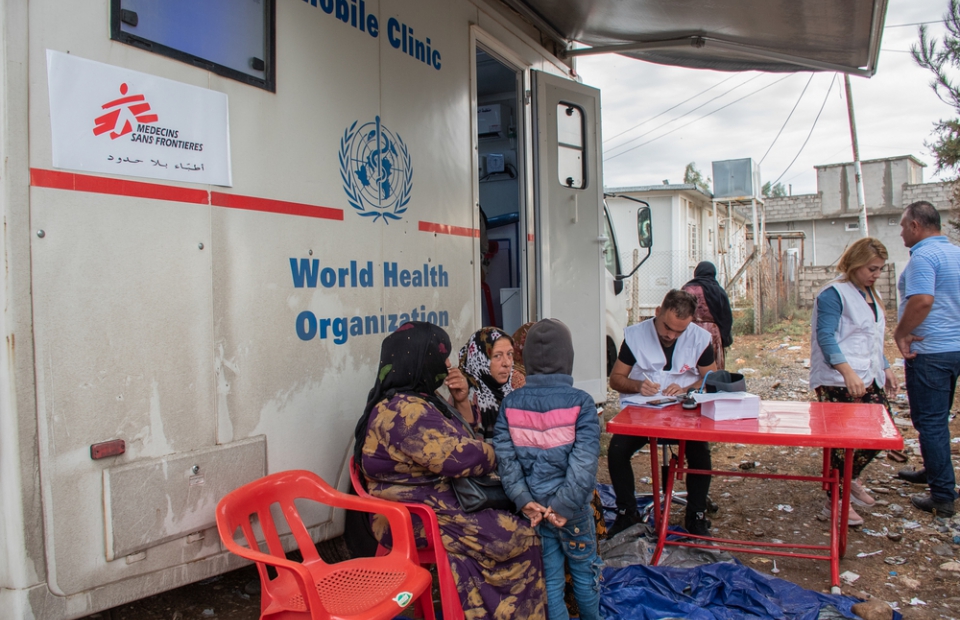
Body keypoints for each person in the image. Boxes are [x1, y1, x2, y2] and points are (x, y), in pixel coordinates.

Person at [353, 322, 546, 618]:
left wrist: (460, 401)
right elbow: (460, 455)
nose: (447, 363)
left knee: (516, 515)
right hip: (411, 516)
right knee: (522, 536)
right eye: (440, 354)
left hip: (430, 501)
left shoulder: (420, 399)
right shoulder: (405, 410)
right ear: (419, 358)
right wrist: (506, 451)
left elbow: (464, 436)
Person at [494, 319, 603, 620]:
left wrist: (523, 499)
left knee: (550, 579)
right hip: (573, 510)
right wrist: (565, 505)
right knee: (585, 571)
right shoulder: (582, 403)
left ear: (524, 359)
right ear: (568, 358)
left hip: (536, 509)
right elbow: (584, 464)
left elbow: (506, 460)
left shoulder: (511, 404)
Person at [606, 289, 717, 537]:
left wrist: (688, 387)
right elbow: (615, 380)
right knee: (616, 450)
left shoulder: (700, 339)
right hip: (643, 414)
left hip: (684, 415)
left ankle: (696, 515)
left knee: (701, 454)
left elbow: (711, 378)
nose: (671, 335)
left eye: (680, 331)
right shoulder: (635, 336)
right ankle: (627, 513)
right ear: (658, 312)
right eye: (667, 327)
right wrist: (637, 386)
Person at [809, 237, 899, 526]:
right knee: (843, 442)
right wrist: (847, 372)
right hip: (838, 379)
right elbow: (826, 337)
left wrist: (885, 366)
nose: (876, 274)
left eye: (880, 269)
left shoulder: (869, 293)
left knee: (882, 432)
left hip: (867, 374)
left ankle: (849, 480)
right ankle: (834, 501)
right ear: (855, 263)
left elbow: (871, 335)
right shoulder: (833, 294)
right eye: (872, 268)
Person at [893, 201, 960, 518]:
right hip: (953, 349)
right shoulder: (954, 253)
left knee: (930, 422)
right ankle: (935, 473)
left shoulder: (923, 257)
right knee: (938, 419)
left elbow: (922, 300)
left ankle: (943, 495)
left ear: (916, 226)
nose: (902, 232)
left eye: (904, 226)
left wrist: (901, 333)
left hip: (929, 351)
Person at [456, 327, 516, 439]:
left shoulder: (512, 393)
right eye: (497, 356)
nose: (507, 363)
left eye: (510, 354)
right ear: (480, 359)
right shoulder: (466, 395)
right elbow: (466, 443)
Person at [682, 261, 734, 370]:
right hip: (712, 332)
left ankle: (691, 386)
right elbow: (726, 316)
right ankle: (712, 385)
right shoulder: (717, 290)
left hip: (690, 330)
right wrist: (725, 337)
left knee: (690, 364)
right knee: (713, 365)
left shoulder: (687, 289)